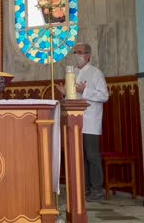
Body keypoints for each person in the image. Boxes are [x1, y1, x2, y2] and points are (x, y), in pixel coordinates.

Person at [57, 42, 109, 201]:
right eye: (75, 52)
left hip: (91, 121)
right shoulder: (72, 73)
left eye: (80, 52)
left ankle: (98, 190)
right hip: (75, 120)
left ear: (88, 55)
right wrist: (65, 93)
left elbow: (104, 96)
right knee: (80, 155)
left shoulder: (95, 73)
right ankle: (85, 188)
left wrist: (84, 91)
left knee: (92, 156)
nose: (77, 55)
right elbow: (73, 97)